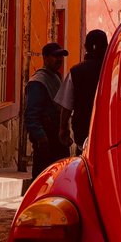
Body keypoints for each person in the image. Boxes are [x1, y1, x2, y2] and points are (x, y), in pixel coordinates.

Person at [56, 29, 109, 153]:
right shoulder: (114, 69)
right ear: (107, 46)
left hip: (83, 134)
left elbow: (67, 105)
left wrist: (63, 129)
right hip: (109, 131)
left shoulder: (76, 72)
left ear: (86, 47)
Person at [25, 42, 70, 177]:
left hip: (58, 140)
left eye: (61, 56)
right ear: (45, 58)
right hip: (46, 141)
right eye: (55, 56)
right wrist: (41, 137)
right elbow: (31, 114)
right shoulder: (38, 82)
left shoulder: (56, 78)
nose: (59, 60)